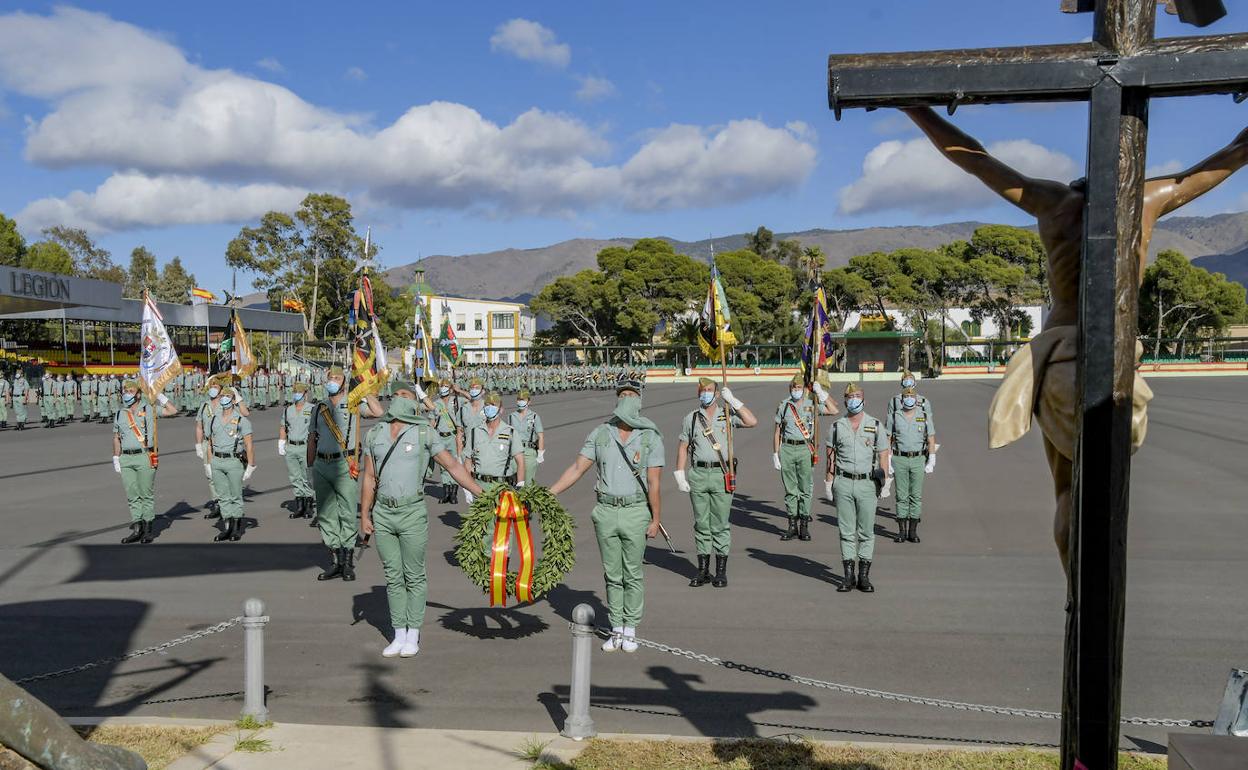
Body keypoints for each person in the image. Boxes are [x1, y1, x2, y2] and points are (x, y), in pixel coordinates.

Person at [902, 105, 1248, 575]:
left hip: (1061, 353)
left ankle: (1075, 591)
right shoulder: (1145, 200)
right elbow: (1230, 155)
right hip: (1116, 353)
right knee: (1106, 489)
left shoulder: (1052, 203)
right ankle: (1099, 590)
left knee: (1066, 489)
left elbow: (974, 158)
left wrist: (915, 108)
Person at [360, 395, 483, 658]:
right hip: (383, 511)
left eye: (404, 396)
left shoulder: (424, 433)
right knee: (393, 575)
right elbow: (369, 477)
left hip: (412, 511)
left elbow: (452, 466)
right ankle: (398, 632)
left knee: (413, 574)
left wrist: (480, 493)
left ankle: (413, 632)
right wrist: (364, 514)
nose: (399, 400)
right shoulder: (375, 435)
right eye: (398, 395)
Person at [549, 378, 663, 653]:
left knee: (632, 572)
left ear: (639, 401)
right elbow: (577, 468)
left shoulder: (649, 435)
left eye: (631, 395)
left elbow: (654, 482)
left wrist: (655, 518)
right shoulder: (601, 433)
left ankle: (631, 628)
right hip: (606, 510)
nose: (626, 399)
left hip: (635, 510)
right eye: (622, 394)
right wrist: (549, 493)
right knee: (612, 573)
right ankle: (617, 627)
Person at [674, 378, 757, 588]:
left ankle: (720, 572)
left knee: (720, 525)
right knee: (702, 524)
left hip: (721, 474)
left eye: (710, 390)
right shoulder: (691, 418)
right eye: (702, 391)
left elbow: (751, 421)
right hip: (699, 474)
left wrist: (735, 401)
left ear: (718, 394)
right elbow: (683, 446)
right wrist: (679, 474)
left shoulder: (727, 414)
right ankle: (703, 570)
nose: (706, 394)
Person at [308, 364, 384, 582]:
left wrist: (365, 390)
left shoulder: (352, 403)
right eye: (330, 377)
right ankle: (335, 560)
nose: (332, 381)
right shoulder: (318, 407)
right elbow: (312, 439)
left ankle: (348, 562)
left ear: (344, 381)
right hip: (322, 464)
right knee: (326, 513)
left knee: (347, 512)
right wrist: (309, 468)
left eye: (337, 377)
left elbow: (378, 412)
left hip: (345, 463)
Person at [823, 383, 891, 593]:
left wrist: (886, 482)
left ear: (864, 399)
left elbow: (883, 455)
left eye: (857, 395)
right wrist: (828, 482)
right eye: (850, 396)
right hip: (843, 482)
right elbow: (830, 457)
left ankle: (863, 576)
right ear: (844, 401)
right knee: (846, 531)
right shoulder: (836, 426)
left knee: (866, 532)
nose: (854, 399)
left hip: (867, 483)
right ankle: (848, 576)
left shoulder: (876, 425)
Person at [772, 374, 837, 542]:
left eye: (799, 388)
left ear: (805, 389)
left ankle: (804, 527)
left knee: (805, 489)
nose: (796, 391)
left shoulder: (812, 404)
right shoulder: (784, 405)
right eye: (793, 388)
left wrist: (821, 393)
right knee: (790, 490)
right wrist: (775, 453)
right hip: (787, 449)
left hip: (805, 449)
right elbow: (778, 431)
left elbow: (833, 410)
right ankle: (792, 525)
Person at [112, 380, 177, 544]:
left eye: (131, 390)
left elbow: (172, 410)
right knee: (132, 495)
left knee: (145, 494)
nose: (127, 393)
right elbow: (116, 438)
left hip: (144, 456)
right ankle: (137, 527)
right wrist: (116, 457)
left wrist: (160, 396)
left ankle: (148, 529)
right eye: (125, 390)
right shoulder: (120, 413)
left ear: (138, 394)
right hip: (126, 458)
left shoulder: (150, 409)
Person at [885, 385, 937, 544]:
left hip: (918, 459)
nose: (909, 399)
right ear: (901, 400)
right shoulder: (894, 416)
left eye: (912, 397)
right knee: (901, 496)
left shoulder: (924, 416)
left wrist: (932, 458)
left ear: (916, 399)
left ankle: (913, 532)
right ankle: (901, 531)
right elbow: (888, 439)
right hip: (899, 459)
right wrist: (887, 459)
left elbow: (931, 438)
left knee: (916, 496)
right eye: (906, 397)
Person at [207, 386, 257, 542]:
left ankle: (236, 528)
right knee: (223, 496)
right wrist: (209, 463)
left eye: (228, 396)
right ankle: (227, 527)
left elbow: (249, 445)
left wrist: (250, 465)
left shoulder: (242, 420)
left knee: (235, 495)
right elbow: (210, 442)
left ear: (234, 400)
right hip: (217, 460)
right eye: (222, 396)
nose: (224, 398)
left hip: (234, 461)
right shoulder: (213, 418)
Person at [464, 392, 525, 490]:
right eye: (487, 405)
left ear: (501, 410)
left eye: (494, 405)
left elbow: (520, 461)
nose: (490, 408)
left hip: (502, 487)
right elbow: (468, 462)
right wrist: (467, 488)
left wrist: (520, 483)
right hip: (478, 487)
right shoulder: (475, 432)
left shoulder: (510, 432)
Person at [280, 382, 315, 519]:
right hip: (292, 447)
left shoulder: (312, 409)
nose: (297, 394)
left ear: (305, 394)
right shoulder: (288, 410)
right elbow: (283, 427)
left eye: (299, 392)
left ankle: (309, 505)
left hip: (306, 447)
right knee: (295, 477)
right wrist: (281, 442)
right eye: (295, 392)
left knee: (306, 476)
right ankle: (300, 505)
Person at [507, 389, 545, 486]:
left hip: (529, 451)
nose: (521, 401)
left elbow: (540, 436)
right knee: (513, 482)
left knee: (528, 483)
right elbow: (508, 435)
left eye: (523, 400)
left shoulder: (534, 417)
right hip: (515, 451)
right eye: (519, 399)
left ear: (529, 402)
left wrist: (540, 453)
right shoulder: (511, 416)